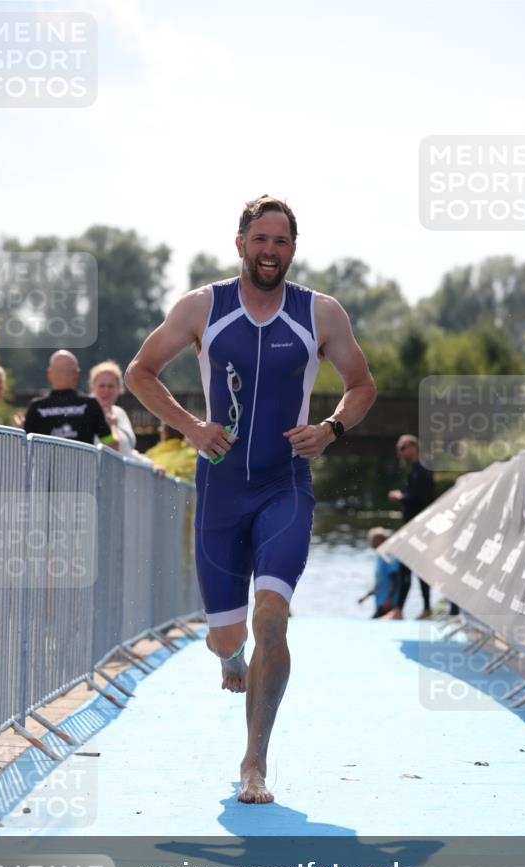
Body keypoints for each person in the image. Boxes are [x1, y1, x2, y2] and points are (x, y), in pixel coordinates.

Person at [125, 194, 376, 804]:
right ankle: (227, 655)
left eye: (281, 242)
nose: (270, 251)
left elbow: (362, 385)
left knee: (273, 616)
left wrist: (331, 429)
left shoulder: (320, 313)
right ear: (240, 243)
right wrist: (189, 425)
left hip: (284, 484)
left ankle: (254, 762)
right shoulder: (202, 307)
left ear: (293, 249)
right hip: (219, 488)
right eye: (260, 240)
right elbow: (140, 372)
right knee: (224, 636)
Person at [24, 350, 117, 447]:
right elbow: (110, 444)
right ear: (76, 374)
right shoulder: (90, 405)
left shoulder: (36, 407)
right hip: (83, 462)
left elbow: (24, 447)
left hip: (44, 462)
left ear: (49, 374)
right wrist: (113, 426)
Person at [387, 433, 434, 619]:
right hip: (411, 528)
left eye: (403, 448)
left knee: (417, 568)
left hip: (420, 529)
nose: (400, 452)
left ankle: (422, 608)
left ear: (414, 448)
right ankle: (401, 609)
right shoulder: (414, 470)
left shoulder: (422, 470)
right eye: (399, 448)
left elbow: (422, 499)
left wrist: (400, 497)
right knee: (406, 568)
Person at [358, 527, 402, 619]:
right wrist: (366, 596)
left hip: (388, 602)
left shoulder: (388, 556)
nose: (372, 543)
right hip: (380, 601)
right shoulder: (380, 557)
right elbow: (379, 583)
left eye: (374, 540)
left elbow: (395, 578)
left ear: (382, 540)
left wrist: (389, 599)